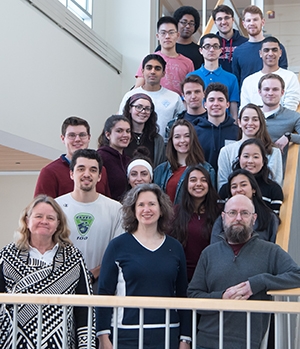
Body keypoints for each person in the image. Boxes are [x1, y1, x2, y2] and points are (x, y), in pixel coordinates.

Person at [188, 194, 300, 349]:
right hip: (206, 342)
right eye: (232, 213)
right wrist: (221, 297)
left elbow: (297, 275)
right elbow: (193, 295)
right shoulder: (209, 253)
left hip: (247, 343)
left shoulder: (270, 251)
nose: (238, 218)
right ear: (223, 217)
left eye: (244, 213)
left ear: (254, 218)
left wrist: (258, 283)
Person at [96, 184, 191, 349]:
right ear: (133, 211)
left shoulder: (175, 248)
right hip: (127, 334)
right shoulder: (117, 246)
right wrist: (103, 336)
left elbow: (183, 293)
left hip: (167, 333)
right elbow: (105, 292)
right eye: (141, 205)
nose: (147, 209)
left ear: (161, 210)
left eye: (152, 204)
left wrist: (185, 338)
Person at [0, 195, 96, 348]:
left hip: (60, 343)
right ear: (27, 220)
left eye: (50, 218)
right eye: (38, 216)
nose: (44, 221)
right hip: (13, 342)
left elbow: (85, 306)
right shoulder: (7, 255)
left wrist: (87, 345)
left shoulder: (73, 257)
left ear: (58, 224)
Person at [55, 149, 123, 292]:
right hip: (63, 282)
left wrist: (93, 274)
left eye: (93, 170)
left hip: (101, 283)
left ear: (99, 176)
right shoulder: (56, 207)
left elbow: (118, 252)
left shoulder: (116, 209)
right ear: (71, 174)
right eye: (81, 169)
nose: (87, 174)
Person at [34, 116, 110, 198]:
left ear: (89, 138)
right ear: (63, 139)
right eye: (72, 135)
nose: (77, 139)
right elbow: (40, 207)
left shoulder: (101, 170)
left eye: (82, 135)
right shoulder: (50, 172)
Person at [171, 165, 221, 281]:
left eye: (203, 180)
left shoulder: (219, 212)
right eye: (193, 180)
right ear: (186, 184)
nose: (198, 184)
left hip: (210, 274)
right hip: (182, 275)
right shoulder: (175, 212)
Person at [218, 103, 283, 189]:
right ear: (239, 122)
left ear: (261, 123)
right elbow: (223, 185)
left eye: (255, 119)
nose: (250, 123)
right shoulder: (226, 151)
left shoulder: (274, 151)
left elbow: (276, 184)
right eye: (246, 119)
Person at [119, 54, 185, 137]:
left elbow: (181, 124)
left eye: (157, 68)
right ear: (142, 71)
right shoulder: (131, 95)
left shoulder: (174, 98)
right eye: (149, 68)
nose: (153, 72)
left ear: (163, 73)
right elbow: (121, 122)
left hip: (165, 146)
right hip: (133, 144)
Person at [154, 119, 215, 204]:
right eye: (177, 137)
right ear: (171, 141)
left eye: (187, 136)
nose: (182, 140)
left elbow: (210, 202)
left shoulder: (207, 169)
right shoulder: (159, 170)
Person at [212, 169, 279, 243]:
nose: (238, 189)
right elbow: (215, 248)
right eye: (234, 187)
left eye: (243, 185)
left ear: (253, 189)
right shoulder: (224, 217)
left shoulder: (269, 218)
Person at [220, 138, 283, 215]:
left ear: (263, 161)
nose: (250, 161)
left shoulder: (274, 190)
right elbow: (220, 220)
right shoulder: (226, 189)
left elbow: (275, 222)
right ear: (239, 159)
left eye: (256, 157)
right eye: (246, 156)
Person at [135, 16, 194, 95]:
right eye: (163, 33)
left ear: (177, 35)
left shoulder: (187, 63)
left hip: (178, 105)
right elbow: (138, 87)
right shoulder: (149, 60)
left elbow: (191, 90)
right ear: (157, 36)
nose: (167, 37)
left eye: (171, 32)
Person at [187, 33, 239, 121]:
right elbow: (187, 105)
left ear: (221, 50)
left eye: (215, 46)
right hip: (196, 126)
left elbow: (233, 110)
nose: (211, 50)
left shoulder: (231, 78)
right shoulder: (191, 77)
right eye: (207, 46)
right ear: (200, 50)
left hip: (224, 126)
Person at [232, 5, 288, 87]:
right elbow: (237, 80)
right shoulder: (238, 52)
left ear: (262, 22)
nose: (252, 23)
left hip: (272, 96)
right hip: (248, 98)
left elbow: (283, 75)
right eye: (248, 20)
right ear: (244, 24)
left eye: (255, 20)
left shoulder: (276, 48)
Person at [241, 36, 300, 110]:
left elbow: (290, 108)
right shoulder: (248, 81)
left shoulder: (290, 77)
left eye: (274, 50)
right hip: (255, 121)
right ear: (260, 53)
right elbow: (244, 110)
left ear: (280, 53)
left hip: (283, 121)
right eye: (266, 50)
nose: (270, 53)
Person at [193, 82, 239, 171]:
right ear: (205, 104)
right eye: (211, 100)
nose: (216, 103)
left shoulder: (237, 132)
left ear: (227, 104)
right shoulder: (195, 132)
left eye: (220, 100)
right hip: (203, 182)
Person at [258, 73, 300, 170]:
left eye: (275, 89)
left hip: (275, 172)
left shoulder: (293, 116)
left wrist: (289, 136)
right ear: (260, 92)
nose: (270, 93)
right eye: (266, 89)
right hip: (248, 172)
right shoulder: (249, 114)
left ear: (282, 92)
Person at [122, 93, 165, 167]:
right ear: (129, 109)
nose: (143, 111)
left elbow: (160, 167)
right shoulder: (121, 136)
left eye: (147, 108)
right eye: (138, 107)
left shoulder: (157, 140)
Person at [97, 115, 131, 201]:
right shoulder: (100, 158)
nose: (125, 135)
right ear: (108, 135)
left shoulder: (128, 160)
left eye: (128, 131)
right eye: (119, 131)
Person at [165, 75, 207, 142]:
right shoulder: (173, 124)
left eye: (197, 92)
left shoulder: (213, 120)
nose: (193, 96)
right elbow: (168, 150)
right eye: (188, 93)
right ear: (183, 96)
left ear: (204, 94)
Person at [212, 4, 247, 73]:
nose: (223, 22)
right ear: (215, 22)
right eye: (219, 19)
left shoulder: (245, 43)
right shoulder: (211, 45)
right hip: (216, 83)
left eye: (227, 18)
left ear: (233, 19)